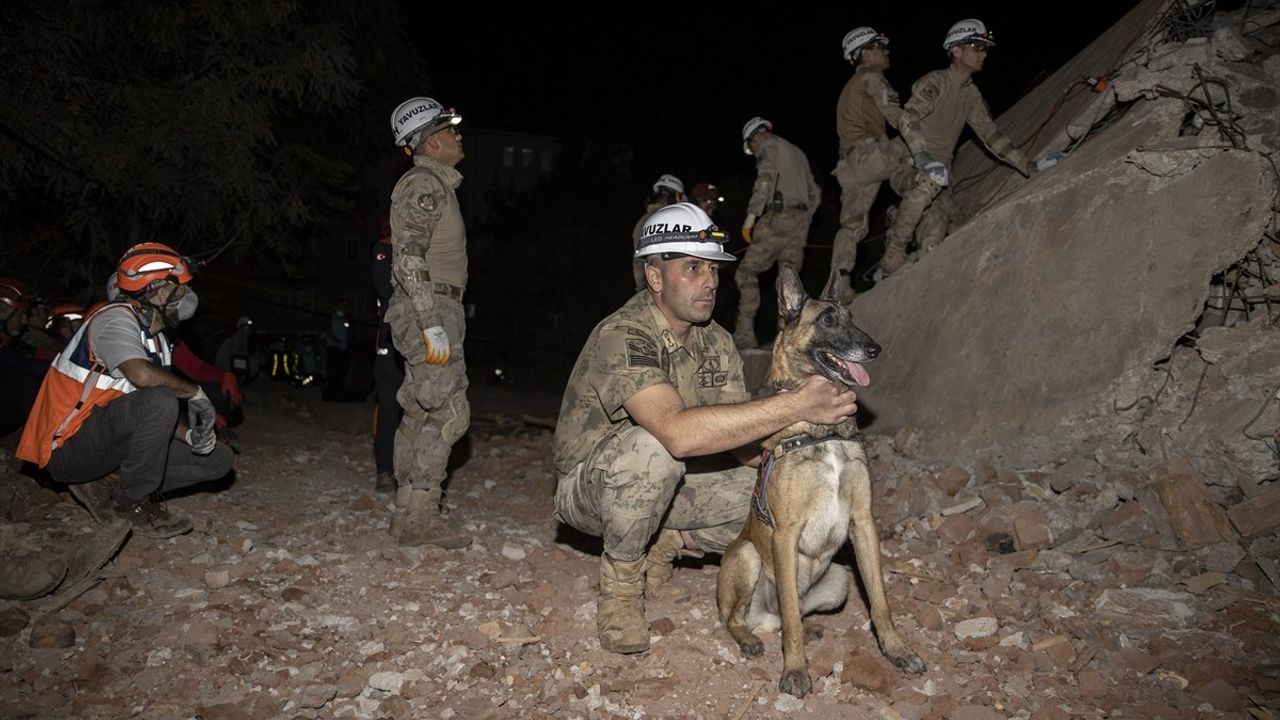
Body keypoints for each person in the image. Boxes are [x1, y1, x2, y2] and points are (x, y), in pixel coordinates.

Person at [553, 202, 860, 654]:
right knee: (653, 449)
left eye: (712, 268)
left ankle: (668, 539)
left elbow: (739, 441)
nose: (711, 281)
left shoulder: (716, 340)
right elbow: (676, 433)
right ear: (655, 278)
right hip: (592, 487)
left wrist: (796, 453)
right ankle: (620, 592)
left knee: (781, 490)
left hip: (675, 480)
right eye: (692, 268)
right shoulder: (623, 334)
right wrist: (796, 404)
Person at [16, 243, 235, 538]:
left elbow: (144, 411)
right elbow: (143, 379)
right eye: (181, 288)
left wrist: (189, 435)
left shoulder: (158, 341)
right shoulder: (113, 319)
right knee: (161, 398)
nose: (187, 296)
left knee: (219, 459)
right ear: (158, 290)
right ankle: (131, 503)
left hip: (105, 441)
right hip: (65, 449)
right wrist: (194, 392)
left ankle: (113, 483)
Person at [384, 96, 472, 549]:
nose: (458, 136)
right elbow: (409, 256)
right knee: (450, 409)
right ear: (432, 141)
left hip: (432, 305)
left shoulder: (436, 183)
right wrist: (429, 321)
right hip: (430, 305)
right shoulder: (425, 183)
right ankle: (424, 516)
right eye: (450, 130)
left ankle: (405, 515)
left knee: (419, 409)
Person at [882, 18, 1031, 275]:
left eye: (986, 48)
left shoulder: (971, 94)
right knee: (927, 184)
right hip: (907, 163)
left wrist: (1028, 165)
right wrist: (923, 157)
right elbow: (908, 117)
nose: (983, 53)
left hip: (942, 177)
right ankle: (892, 252)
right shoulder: (937, 82)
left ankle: (903, 221)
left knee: (933, 244)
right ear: (956, 50)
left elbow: (990, 135)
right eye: (976, 46)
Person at [832, 26, 916, 302]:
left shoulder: (848, 89)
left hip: (850, 165)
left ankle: (839, 286)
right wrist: (920, 143)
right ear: (865, 53)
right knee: (917, 159)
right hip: (869, 156)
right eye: (880, 46)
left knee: (852, 226)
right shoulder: (871, 76)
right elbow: (894, 115)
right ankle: (905, 241)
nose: (886, 51)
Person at [734, 117, 822, 349]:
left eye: (751, 146)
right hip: (800, 223)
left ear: (755, 136)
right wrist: (805, 218)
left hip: (778, 217)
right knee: (788, 280)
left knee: (745, 272)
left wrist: (751, 217)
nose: (753, 151)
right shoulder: (798, 153)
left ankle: (744, 335)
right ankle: (786, 338)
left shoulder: (768, 145)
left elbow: (764, 178)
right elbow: (816, 192)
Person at [371, 217, 403, 494]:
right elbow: (386, 290)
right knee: (389, 407)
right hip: (391, 339)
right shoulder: (384, 249)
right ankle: (385, 471)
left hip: (417, 339)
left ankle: (411, 472)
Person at [630, 174, 686, 291]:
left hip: (651, 289)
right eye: (679, 197)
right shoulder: (668, 220)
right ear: (671, 197)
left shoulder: (644, 220)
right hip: (661, 290)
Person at [322, 300, 351, 401]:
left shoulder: (346, 319)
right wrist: (338, 342)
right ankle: (331, 391)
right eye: (341, 306)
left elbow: (350, 331)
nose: (343, 308)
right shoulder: (330, 318)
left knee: (341, 370)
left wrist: (346, 341)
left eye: (345, 306)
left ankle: (339, 390)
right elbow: (328, 331)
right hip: (333, 348)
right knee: (332, 370)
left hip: (343, 349)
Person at [215, 316, 255, 380]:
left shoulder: (243, 340)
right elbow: (237, 360)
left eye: (250, 328)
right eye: (246, 327)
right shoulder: (235, 340)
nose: (248, 330)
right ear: (240, 328)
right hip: (225, 371)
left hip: (230, 371)